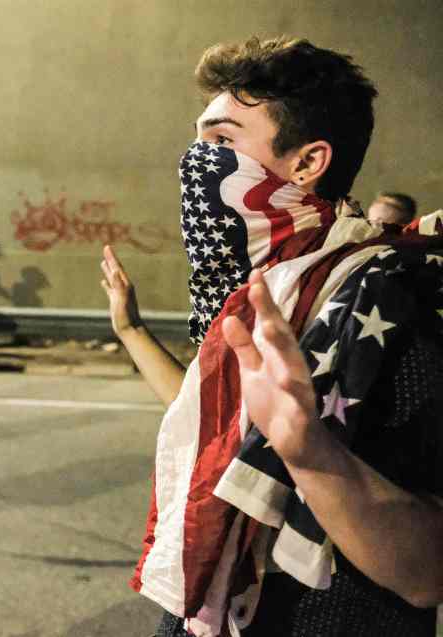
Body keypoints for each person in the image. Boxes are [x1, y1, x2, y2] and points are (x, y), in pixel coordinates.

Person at [100, 37, 443, 636]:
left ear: (308, 164)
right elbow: (224, 422)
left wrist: (310, 452)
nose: (196, 161)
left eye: (221, 142)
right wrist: (130, 330)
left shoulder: (386, 300)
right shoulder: (268, 288)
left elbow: (426, 573)